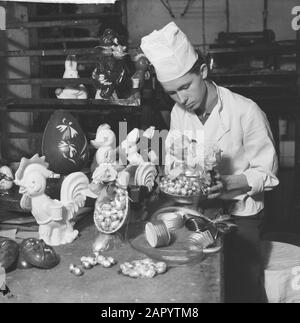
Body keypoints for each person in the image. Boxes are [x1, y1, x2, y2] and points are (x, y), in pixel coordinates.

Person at [140, 22, 279, 303]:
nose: (182, 99)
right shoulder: (180, 113)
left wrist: (229, 183)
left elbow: (268, 173)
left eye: (185, 87)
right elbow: (178, 160)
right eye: (172, 93)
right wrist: (163, 171)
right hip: (200, 211)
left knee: (243, 286)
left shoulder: (246, 111)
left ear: (203, 72)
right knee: (204, 283)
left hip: (242, 215)